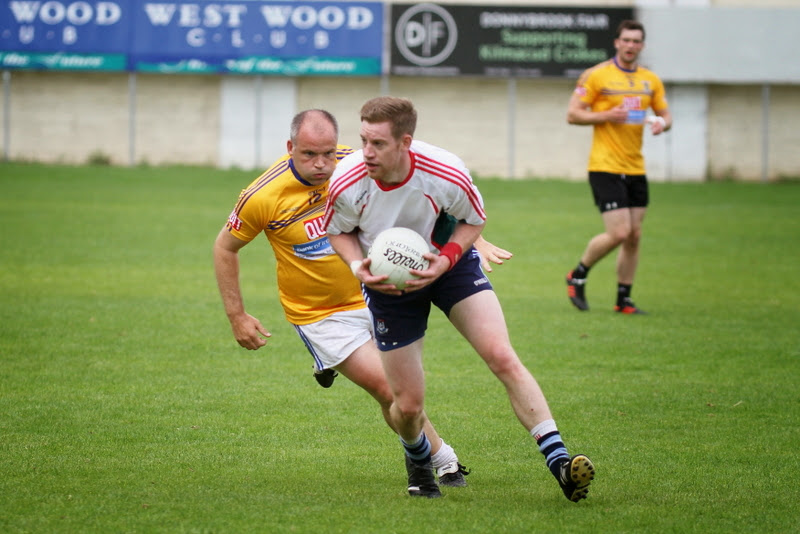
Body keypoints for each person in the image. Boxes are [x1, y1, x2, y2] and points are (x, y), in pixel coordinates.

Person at [213, 109, 511, 493]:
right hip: (321, 315)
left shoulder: (356, 164)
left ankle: (335, 369)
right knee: (389, 390)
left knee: (400, 390)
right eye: (308, 155)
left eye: (327, 153)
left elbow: (436, 195)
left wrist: (477, 240)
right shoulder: (262, 195)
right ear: (290, 149)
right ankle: (442, 459)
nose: (321, 164)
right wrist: (236, 315)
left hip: (375, 296)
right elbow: (225, 247)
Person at [323, 96, 595, 501]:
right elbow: (338, 230)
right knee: (409, 406)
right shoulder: (347, 179)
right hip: (388, 287)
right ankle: (419, 461)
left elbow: (474, 218)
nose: (366, 152)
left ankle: (559, 462)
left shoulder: (445, 170)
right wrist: (356, 266)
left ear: (405, 142)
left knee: (501, 356)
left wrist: (446, 259)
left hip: (450, 266)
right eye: (363, 139)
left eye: (377, 143)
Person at [565, 19, 672, 314]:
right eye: (626, 40)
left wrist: (661, 123)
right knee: (620, 233)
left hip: (636, 167)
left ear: (642, 46)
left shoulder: (650, 80)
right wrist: (608, 114)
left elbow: (666, 114)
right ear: (617, 42)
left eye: (636, 41)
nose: (631, 45)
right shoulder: (596, 76)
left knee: (635, 236)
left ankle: (623, 299)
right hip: (605, 166)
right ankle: (578, 274)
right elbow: (573, 115)